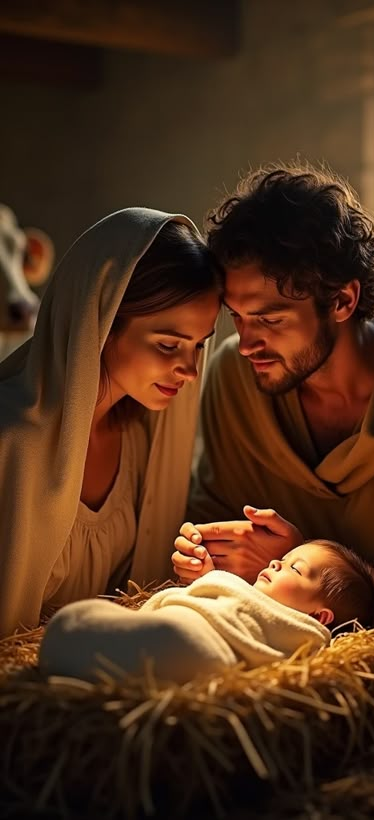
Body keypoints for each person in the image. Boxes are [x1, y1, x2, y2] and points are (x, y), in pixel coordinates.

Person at [173, 162, 374, 657]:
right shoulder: (235, 376)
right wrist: (200, 558)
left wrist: (307, 561)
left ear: (342, 300)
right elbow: (214, 528)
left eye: (269, 318)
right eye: (238, 319)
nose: (247, 343)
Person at [0, 207, 222, 638]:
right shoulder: (11, 444)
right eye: (168, 344)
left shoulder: (142, 444)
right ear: (100, 320)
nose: (190, 370)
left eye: (198, 346)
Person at [38, 539, 374, 683]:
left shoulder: (304, 637)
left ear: (320, 617)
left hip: (201, 650)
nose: (276, 562)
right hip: (178, 631)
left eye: (295, 568)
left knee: (169, 640)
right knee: (79, 616)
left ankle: (81, 652)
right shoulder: (245, 593)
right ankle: (84, 648)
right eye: (284, 557)